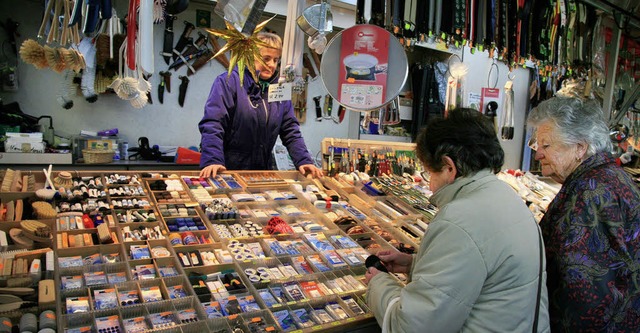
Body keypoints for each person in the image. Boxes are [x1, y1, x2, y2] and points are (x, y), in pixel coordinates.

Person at [364, 108, 549, 332]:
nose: (429, 184)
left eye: (428, 173)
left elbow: (412, 326)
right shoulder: (508, 198)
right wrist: (417, 265)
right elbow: (487, 278)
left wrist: (379, 284)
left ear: (449, 167)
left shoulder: (459, 220)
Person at [527, 97, 640, 332]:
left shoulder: (588, 193)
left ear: (580, 147)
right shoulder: (609, 175)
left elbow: (583, 290)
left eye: (546, 146)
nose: (538, 155)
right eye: (536, 145)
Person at [198, 32, 323, 178]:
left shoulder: (280, 88)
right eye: (266, 58)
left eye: (276, 60)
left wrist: (303, 160)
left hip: (262, 170)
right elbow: (213, 123)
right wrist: (212, 159)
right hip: (227, 170)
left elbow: (290, 129)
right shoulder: (229, 82)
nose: (271, 65)